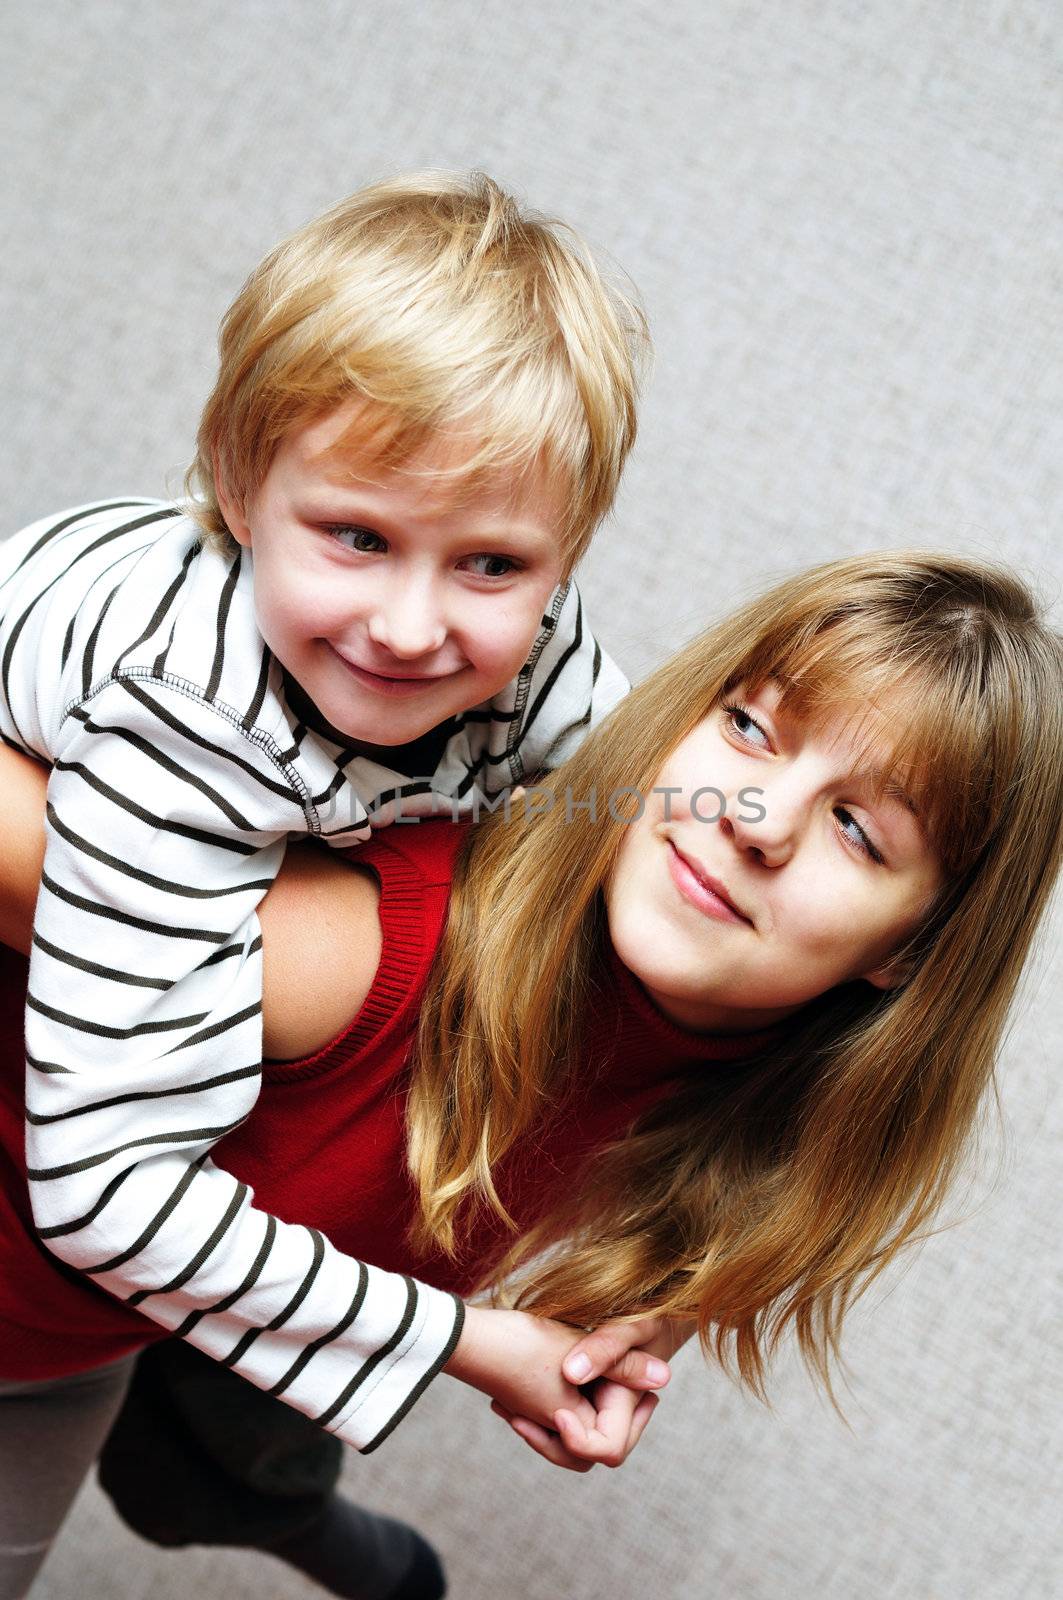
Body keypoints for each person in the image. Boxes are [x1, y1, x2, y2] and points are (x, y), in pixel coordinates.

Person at [1, 550, 1060, 1600]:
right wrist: (467, 1342)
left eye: (856, 828)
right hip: (38, 1319)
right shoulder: (357, 952)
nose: (755, 818)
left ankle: (296, 1522)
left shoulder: (774, 1078)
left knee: (216, 1464)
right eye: (748, 726)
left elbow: (754, 1180)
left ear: (913, 954)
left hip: (200, 1288)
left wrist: (664, 1308)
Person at [0, 167, 648, 1489]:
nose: (412, 626)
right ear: (238, 493)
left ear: (563, 554)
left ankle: (248, 1485)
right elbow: (104, 1187)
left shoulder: (527, 642)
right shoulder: (181, 718)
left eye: (490, 565)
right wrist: (461, 1340)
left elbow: (633, 796)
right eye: (355, 536)